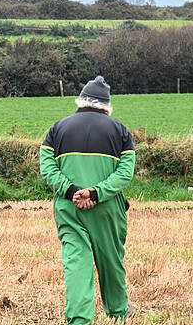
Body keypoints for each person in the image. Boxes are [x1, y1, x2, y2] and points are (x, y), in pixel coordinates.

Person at [39, 75, 135, 324]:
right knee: (111, 262)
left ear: (81, 101)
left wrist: (72, 192)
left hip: (68, 207)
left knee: (76, 264)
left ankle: (79, 320)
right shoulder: (121, 131)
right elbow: (125, 173)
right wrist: (96, 193)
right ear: (107, 105)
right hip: (107, 209)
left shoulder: (56, 129)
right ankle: (117, 315)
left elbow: (47, 167)